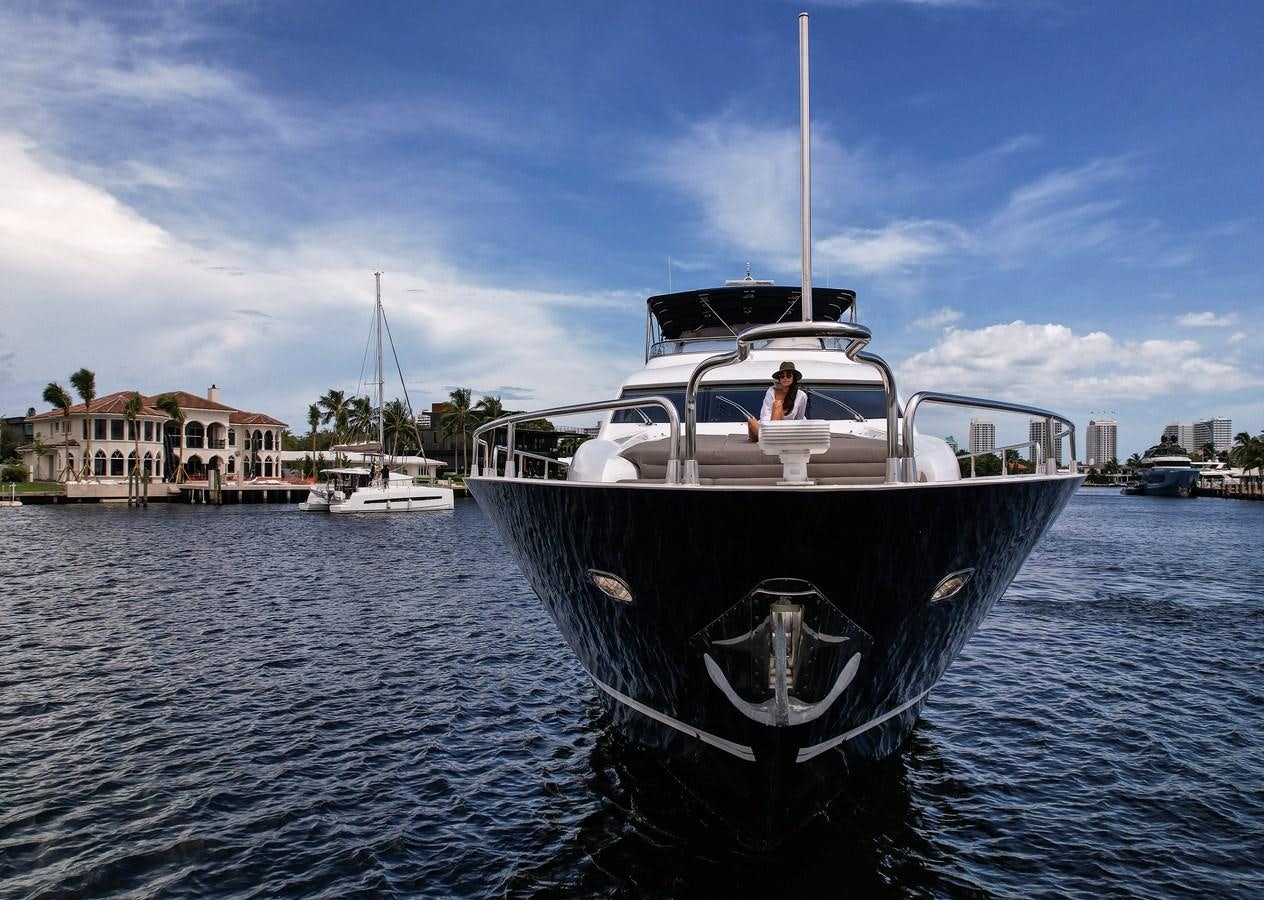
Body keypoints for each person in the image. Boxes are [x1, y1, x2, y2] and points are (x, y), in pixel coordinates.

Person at [747, 360, 807, 442]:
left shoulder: (801, 396)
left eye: (788, 375)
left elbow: (799, 419)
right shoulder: (771, 391)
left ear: (794, 378)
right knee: (751, 422)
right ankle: (768, 437)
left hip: (788, 432)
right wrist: (766, 429)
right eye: (782, 376)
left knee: (777, 404)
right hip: (768, 428)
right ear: (779, 379)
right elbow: (765, 414)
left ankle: (769, 439)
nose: (785, 378)